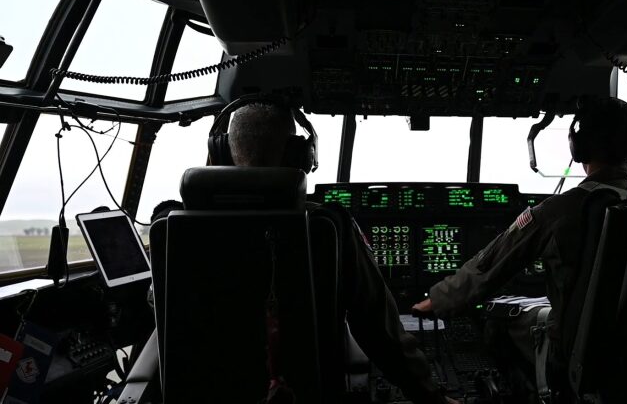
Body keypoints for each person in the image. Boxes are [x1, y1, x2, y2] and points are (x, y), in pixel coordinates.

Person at [178, 101, 454, 404]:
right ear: (301, 155)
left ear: (222, 152)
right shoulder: (327, 227)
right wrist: (431, 397)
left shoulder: (174, 227)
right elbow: (379, 332)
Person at [412, 97, 627, 397]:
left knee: (497, 316)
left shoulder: (563, 209)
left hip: (579, 356)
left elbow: (490, 266)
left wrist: (435, 302)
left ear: (579, 146)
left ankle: (533, 393)